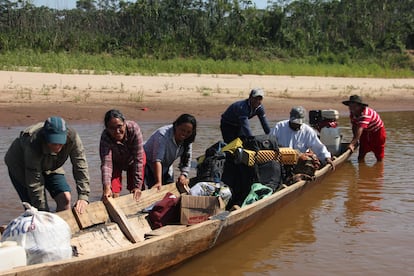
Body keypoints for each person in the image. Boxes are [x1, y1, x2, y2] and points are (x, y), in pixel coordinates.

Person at [4, 116, 90, 213]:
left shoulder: (72, 138)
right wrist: (43, 213)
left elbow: (80, 166)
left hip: (50, 163)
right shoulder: (33, 142)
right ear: (45, 137)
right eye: (53, 143)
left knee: (65, 198)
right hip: (21, 165)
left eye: (60, 143)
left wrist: (83, 196)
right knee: (34, 209)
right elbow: (35, 183)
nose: (57, 147)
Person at [99, 109, 145, 201]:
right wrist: (106, 187)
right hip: (115, 162)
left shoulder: (134, 129)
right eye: (112, 128)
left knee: (136, 190)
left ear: (124, 123)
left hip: (133, 159)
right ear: (107, 128)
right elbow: (106, 165)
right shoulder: (105, 137)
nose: (117, 131)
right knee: (113, 192)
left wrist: (137, 186)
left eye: (120, 126)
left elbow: (138, 159)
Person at [270, 106, 335, 169]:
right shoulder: (279, 127)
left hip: (299, 161)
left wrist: (327, 158)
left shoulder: (307, 131)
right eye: (295, 123)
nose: (297, 125)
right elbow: (270, 142)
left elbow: (318, 147)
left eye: (299, 124)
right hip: (282, 160)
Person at [144, 114, 197, 190]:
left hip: (166, 166)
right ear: (176, 126)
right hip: (149, 163)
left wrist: (184, 175)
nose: (184, 134)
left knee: (170, 192)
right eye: (182, 130)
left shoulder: (189, 138)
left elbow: (187, 159)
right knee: (154, 188)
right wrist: (158, 182)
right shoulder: (163, 134)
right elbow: (157, 160)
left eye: (188, 132)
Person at [342, 94, 386, 162]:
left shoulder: (366, 114)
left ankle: (379, 169)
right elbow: (354, 125)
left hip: (377, 131)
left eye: (354, 106)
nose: (351, 108)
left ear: (360, 106)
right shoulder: (353, 112)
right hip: (365, 131)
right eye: (350, 106)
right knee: (361, 153)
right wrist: (355, 141)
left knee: (379, 154)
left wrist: (352, 143)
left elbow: (360, 128)